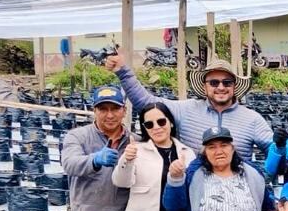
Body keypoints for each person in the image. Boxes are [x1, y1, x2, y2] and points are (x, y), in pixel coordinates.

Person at [104, 54, 273, 161]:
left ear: (234, 86)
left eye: (227, 82)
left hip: (234, 197)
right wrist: (124, 72)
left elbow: (274, 151)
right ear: (205, 86)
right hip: (192, 190)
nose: (221, 87)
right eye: (214, 82)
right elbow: (146, 103)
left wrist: (259, 176)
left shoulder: (252, 119)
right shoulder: (186, 110)